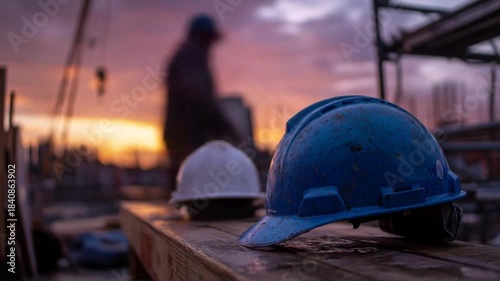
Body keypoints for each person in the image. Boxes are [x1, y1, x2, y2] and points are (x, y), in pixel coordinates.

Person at [163, 14, 241, 197]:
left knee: (187, 185)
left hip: (185, 134)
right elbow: (198, 97)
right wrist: (225, 126)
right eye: (209, 39)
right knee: (188, 185)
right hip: (185, 136)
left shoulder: (189, 57)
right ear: (201, 37)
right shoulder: (191, 57)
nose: (211, 45)